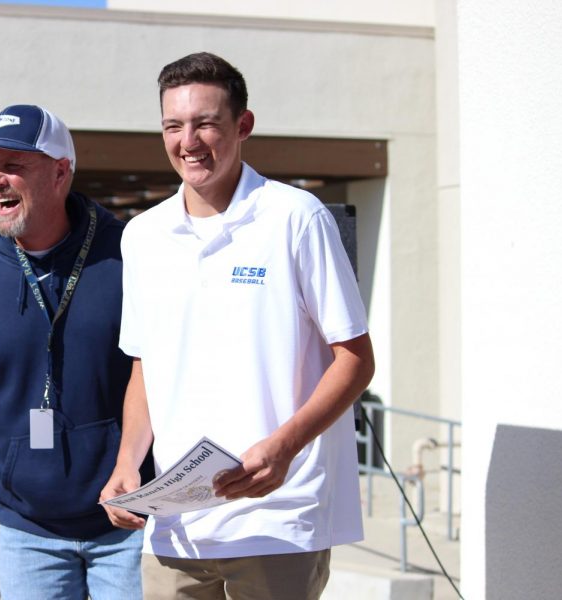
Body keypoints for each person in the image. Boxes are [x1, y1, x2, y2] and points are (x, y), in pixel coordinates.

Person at [100, 52, 376, 600]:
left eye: (205, 123)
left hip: (277, 515)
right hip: (177, 527)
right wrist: (127, 462)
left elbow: (357, 359)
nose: (189, 141)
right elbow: (144, 366)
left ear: (243, 126)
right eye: (173, 126)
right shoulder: (143, 236)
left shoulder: (297, 218)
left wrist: (283, 447)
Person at [0, 104, 152, 600]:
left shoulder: (134, 257)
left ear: (61, 172)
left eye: (13, 166)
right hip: (29, 537)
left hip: (133, 525)